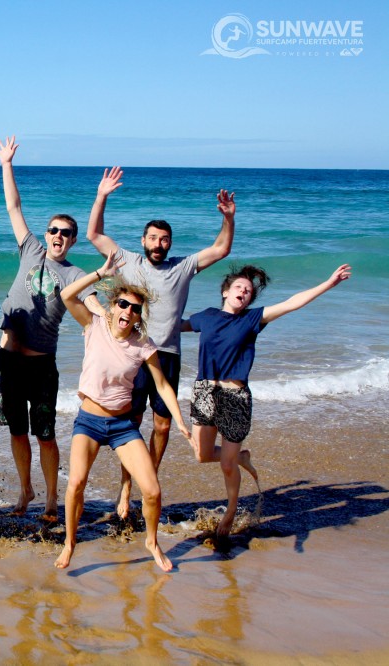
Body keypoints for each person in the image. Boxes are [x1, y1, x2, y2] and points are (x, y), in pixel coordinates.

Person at [87, 166, 235, 520]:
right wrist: (102, 195)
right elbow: (94, 233)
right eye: (153, 238)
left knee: (163, 426)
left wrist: (228, 218)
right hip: (135, 354)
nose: (158, 243)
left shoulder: (182, 267)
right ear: (143, 241)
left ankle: (147, 479)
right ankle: (126, 487)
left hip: (166, 354)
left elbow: (221, 248)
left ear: (170, 243)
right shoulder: (130, 261)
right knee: (131, 423)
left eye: (164, 239)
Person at [183, 263, 351, 537]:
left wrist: (328, 283)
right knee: (202, 456)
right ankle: (242, 457)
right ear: (225, 291)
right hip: (204, 391)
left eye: (248, 291)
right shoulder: (207, 317)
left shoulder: (252, 320)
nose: (244, 292)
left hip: (235, 397)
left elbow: (291, 303)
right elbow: (174, 326)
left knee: (226, 464)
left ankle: (230, 511)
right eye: (238, 287)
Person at [56, 254, 193, 572]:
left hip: (122, 425)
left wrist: (181, 421)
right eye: (122, 304)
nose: (127, 311)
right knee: (76, 483)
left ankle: (152, 541)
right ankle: (70, 544)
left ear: (137, 315)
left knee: (152, 490)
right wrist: (99, 274)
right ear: (113, 304)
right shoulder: (94, 326)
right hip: (88, 422)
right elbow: (66, 295)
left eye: (134, 308)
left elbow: (162, 386)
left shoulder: (143, 344)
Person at [0, 136, 100, 520]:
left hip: (40, 367)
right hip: (8, 362)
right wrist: (7, 163)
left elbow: (90, 303)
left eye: (65, 233)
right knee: (16, 433)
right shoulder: (31, 249)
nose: (57, 237)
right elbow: (13, 206)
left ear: (72, 240)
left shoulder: (75, 273)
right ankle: (25, 493)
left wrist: (106, 323)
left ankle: (53, 497)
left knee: (46, 434)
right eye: (53, 230)